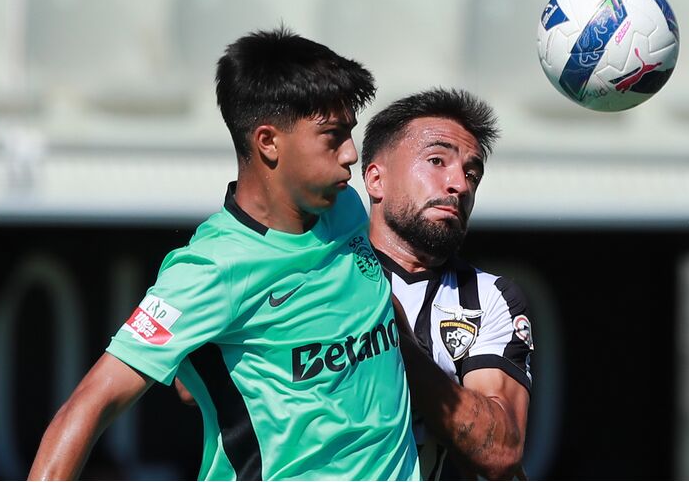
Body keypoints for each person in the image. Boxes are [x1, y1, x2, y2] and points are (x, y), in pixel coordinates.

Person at [28, 27, 420, 481]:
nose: (351, 154)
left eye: (350, 133)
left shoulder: (349, 208)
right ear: (268, 142)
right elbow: (90, 402)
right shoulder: (211, 269)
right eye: (333, 136)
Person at [361, 88, 533, 480]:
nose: (459, 184)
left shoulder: (490, 298)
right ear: (375, 179)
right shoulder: (320, 277)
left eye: (472, 173)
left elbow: (502, 451)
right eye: (437, 160)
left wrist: (391, 340)